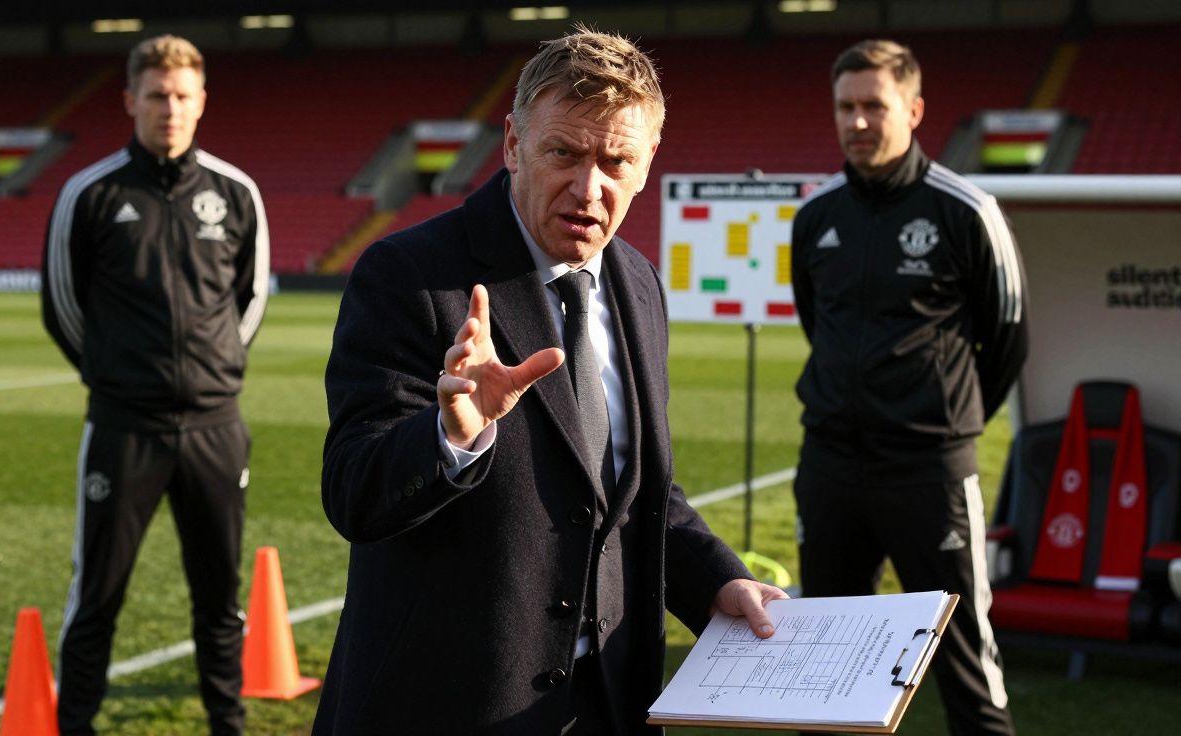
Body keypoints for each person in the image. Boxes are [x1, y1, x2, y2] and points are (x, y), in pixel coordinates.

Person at [317, 27, 786, 736]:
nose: (588, 187)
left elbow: (629, 491)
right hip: (451, 707)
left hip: (606, 706)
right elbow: (354, 491)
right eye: (563, 152)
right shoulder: (409, 276)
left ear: (647, 162)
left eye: (615, 160)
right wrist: (450, 438)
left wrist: (719, 578)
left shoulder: (638, 282)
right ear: (512, 145)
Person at [790, 39, 1027, 735]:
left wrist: (943, 419)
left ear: (915, 110)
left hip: (929, 472)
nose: (858, 121)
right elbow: (818, 323)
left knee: (963, 663)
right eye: (845, 107)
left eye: (874, 106)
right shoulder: (816, 217)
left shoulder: (967, 209)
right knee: (823, 666)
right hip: (830, 467)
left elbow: (1008, 334)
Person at [40, 34, 269, 736]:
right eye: (156, 95)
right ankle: (74, 724)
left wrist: (213, 370)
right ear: (130, 101)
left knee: (219, 597)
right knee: (97, 596)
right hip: (122, 427)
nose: (169, 108)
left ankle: (225, 723)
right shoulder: (90, 192)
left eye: (181, 96)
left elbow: (251, 298)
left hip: (214, 427)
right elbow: (62, 305)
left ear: (201, 103)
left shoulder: (236, 192)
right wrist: (115, 376)